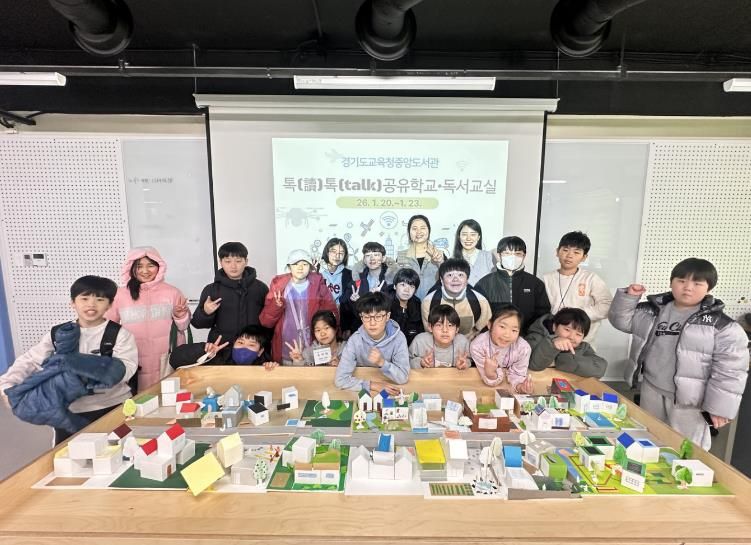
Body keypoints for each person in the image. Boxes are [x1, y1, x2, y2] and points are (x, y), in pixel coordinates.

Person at [609, 258, 749, 450]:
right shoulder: (653, 311)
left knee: (688, 450)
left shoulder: (722, 325)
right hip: (652, 388)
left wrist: (719, 408)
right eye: (681, 281)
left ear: (709, 288)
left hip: (691, 401)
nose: (688, 288)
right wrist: (628, 298)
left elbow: (731, 369)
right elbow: (621, 321)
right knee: (649, 440)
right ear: (671, 282)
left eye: (697, 283)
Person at [0, 276, 138, 444]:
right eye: (84, 298)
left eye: (100, 299)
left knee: (120, 450)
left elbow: (128, 367)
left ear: (109, 305)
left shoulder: (119, 334)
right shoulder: (59, 333)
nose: (91, 304)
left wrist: (91, 372)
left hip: (113, 405)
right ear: (72, 303)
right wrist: (7, 385)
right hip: (69, 409)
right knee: (67, 454)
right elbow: (29, 360)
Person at [105, 247, 191, 391]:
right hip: (134, 357)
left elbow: (183, 327)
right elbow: (109, 328)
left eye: (150, 265)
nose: (145, 271)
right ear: (131, 267)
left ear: (159, 267)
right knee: (138, 399)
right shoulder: (119, 294)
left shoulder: (172, 292)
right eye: (139, 266)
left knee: (170, 396)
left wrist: (180, 315)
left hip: (167, 357)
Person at [191, 242, 269, 359]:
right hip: (220, 351)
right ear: (220, 262)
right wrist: (205, 312)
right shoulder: (212, 290)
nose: (233, 266)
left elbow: (268, 322)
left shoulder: (260, 288)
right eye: (227, 261)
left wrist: (266, 349)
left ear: (246, 262)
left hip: (253, 352)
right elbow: (197, 323)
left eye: (238, 261)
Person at [259, 249, 338, 364]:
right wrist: (276, 306)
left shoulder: (319, 287)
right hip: (286, 350)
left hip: (315, 351)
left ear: (310, 267)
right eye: (296, 264)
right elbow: (266, 322)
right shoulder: (279, 288)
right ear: (289, 267)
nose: (300, 268)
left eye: (305, 264)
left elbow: (333, 319)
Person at [542, 231, 612, 344]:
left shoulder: (591, 278)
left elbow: (607, 306)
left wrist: (578, 316)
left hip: (583, 342)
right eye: (565, 250)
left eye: (576, 252)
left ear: (584, 257)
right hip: (552, 339)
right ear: (557, 252)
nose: (569, 255)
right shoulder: (546, 279)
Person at [334, 292, 410, 394]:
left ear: (387, 316)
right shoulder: (355, 340)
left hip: (391, 386)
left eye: (378, 316)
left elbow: (403, 377)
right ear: (361, 318)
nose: (372, 323)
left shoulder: (399, 338)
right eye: (366, 317)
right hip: (361, 389)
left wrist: (382, 362)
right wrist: (372, 385)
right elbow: (340, 380)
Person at [475, 236, 550, 335]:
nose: (512, 257)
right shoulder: (484, 283)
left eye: (518, 254)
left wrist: (530, 335)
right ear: (499, 255)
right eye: (507, 253)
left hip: (526, 337)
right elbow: (478, 314)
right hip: (492, 337)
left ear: (524, 256)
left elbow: (542, 315)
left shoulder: (535, 284)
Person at [526, 308, 608, 378]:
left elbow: (600, 369)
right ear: (554, 327)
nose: (571, 337)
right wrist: (552, 345)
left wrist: (560, 360)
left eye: (578, 334)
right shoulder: (536, 338)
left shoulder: (582, 347)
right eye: (567, 330)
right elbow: (534, 365)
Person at [421, 258, 491, 340]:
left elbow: (482, 328)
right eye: (450, 275)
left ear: (467, 280)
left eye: (460, 275)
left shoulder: (480, 301)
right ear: (441, 280)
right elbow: (429, 331)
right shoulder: (428, 302)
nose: (455, 279)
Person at [470, 305, 534, 393]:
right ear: (490, 325)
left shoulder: (523, 348)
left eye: (514, 330)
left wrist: (521, 387)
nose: (507, 335)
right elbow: (487, 378)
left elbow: (518, 375)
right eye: (502, 327)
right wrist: (490, 373)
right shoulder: (478, 346)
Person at [341, 241, 399, 333]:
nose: (372, 258)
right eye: (368, 255)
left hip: (386, 329)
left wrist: (382, 295)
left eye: (376, 255)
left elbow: (397, 306)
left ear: (383, 258)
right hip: (361, 329)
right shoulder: (356, 280)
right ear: (364, 260)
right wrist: (353, 301)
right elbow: (346, 309)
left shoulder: (392, 279)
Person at [176, 325, 276, 368]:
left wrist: (272, 369)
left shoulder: (264, 365)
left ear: (260, 351)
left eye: (251, 345)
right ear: (234, 344)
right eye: (240, 342)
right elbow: (175, 359)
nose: (244, 347)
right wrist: (203, 351)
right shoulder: (220, 358)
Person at [396, 215, 446, 300]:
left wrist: (440, 263)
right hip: (409, 304)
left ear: (429, 231)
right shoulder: (401, 256)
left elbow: (448, 280)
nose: (418, 232)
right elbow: (396, 284)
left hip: (435, 302)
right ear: (409, 233)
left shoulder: (440, 254)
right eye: (414, 228)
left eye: (422, 228)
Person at [409, 304, 470, 369]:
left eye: (450, 325)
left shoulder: (462, 342)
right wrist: (421, 363)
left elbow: (470, 361)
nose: (445, 330)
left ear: (457, 329)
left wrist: (465, 364)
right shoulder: (420, 341)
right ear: (430, 327)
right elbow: (407, 362)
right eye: (439, 325)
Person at [453, 219, 495, 286]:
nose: (468, 238)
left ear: (478, 237)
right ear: (459, 237)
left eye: (473, 234)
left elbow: (495, 283)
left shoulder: (488, 256)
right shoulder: (452, 261)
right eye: (464, 234)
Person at [388, 268, 424, 345]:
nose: (407, 290)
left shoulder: (417, 305)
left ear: (415, 290)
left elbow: (420, 331)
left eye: (412, 286)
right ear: (395, 286)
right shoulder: (385, 304)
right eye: (403, 285)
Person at [317, 238, 353, 308]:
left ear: (345, 256)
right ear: (327, 253)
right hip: (321, 312)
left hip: (341, 312)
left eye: (341, 253)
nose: (337, 256)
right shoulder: (318, 272)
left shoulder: (350, 275)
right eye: (333, 252)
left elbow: (349, 300)